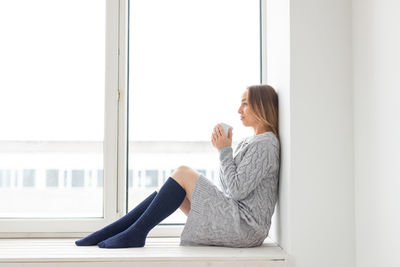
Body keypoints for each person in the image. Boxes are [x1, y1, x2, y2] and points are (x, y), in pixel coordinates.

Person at [75, 84, 280, 248]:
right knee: (173, 189)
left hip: (246, 227)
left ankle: (134, 233)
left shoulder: (266, 143)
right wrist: (224, 150)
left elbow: (235, 191)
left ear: (261, 106)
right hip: (239, 221)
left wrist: (224, 150)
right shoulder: (252, 142)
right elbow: (229, 189)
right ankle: (119, 230)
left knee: (183, 173)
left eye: (245, 104)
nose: (239, 110)